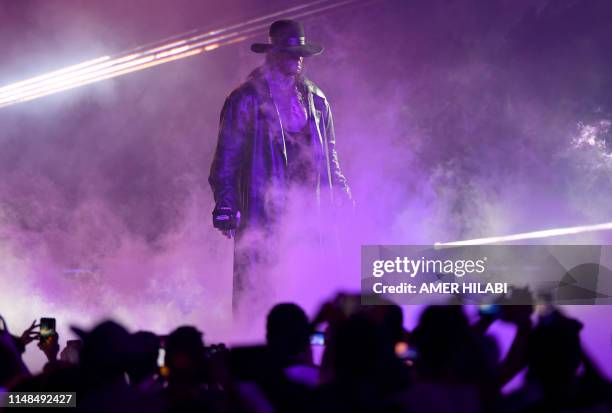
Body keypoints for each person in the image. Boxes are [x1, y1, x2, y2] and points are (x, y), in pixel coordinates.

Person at [209, 19, 353, 313]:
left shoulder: (317, 99)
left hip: (309, 214)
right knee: (262, 293)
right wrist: (225, 205)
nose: (298, 58)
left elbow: (330, 153)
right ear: (272, 54)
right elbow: (226, 158)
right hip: (265, 214)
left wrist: (339, 188)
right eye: (291, 52)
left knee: (311, 291)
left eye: (301, 53)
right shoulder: (245, 99)